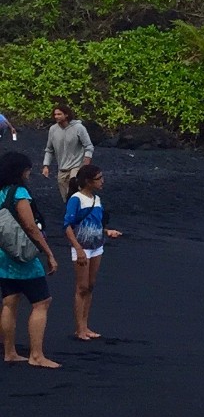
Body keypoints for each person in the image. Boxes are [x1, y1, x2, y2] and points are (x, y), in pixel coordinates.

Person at [0, 148, 60, 369]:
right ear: (20, 171)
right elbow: (31, 227)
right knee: (42, 302)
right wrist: (49, 253)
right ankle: (36, 355)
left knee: (10, 301)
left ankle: (10, 352)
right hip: (23, 256)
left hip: (3, 255)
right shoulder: (19, 194)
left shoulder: (0, 192)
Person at [62, 161, 121, 342]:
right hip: (82, 248)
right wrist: (78, 248)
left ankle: (85, 325)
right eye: (99, 179)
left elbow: (96, 224)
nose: (102, 181)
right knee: (82, 287)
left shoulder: (97, 200)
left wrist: (106, 231)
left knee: (91, 286)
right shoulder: (76, 199)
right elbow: (67, 226)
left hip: (96, 246)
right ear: (88, 181)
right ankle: (79, 328)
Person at [41, 102, 94, 205]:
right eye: (55, 114)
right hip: (62, 166)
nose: (56, 116)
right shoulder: (53, 129)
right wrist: (46, 165)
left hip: (77, 165)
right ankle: (71, 210)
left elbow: (88, 146)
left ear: (66, 115)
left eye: (59, 114)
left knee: (74, 185)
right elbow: (49, 149)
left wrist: (87, 161)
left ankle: (83, 208)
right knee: (65, 194)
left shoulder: (78, 128)